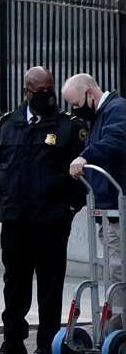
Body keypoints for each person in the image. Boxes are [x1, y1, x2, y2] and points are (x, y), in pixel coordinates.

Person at [0, 66, 87, 354]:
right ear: (26, 92)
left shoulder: (66, 127)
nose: (48, 97)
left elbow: (82, 171)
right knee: (15, 284)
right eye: (41, 92)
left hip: (51, 220)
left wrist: (70, 209)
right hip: (15, 219)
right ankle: (12, 343)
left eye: (50, 91)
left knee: (50, 285)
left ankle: (46, 344)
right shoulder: (6, 126)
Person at [63, 74, 125, 285]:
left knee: (118, 269)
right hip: (108, 208)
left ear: (90, 93)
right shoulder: (100, 116)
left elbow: (115, 141)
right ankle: (116, 314)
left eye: (76, 104)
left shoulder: (116, 110)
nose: (75, 110)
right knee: (113, 266)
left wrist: (85, 156)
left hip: (117, 208)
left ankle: (119, 316)